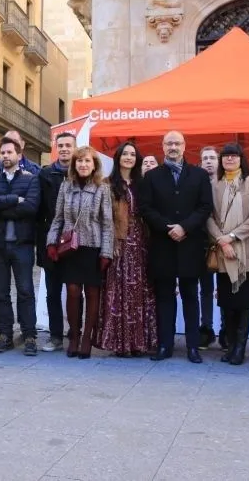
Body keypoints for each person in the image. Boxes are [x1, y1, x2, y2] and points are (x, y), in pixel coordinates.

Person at [138, 131, 214, 363]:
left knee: (191, 296)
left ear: (184, 146)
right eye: (169, 143)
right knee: (165, 298)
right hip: (163, 244)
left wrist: (185, 227)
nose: (173, 147)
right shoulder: (152, 176)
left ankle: (193, 346)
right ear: (162, 146)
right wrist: (166, 227)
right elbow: (146, 208)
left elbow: (205, 207)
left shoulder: (199, 175)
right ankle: (165, 345)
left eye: (177, 143)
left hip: (190, 244)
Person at [46, 146, 114, 359]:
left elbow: (107, 223)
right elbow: (58, 217)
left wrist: (106, 253)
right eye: (79, 161)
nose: (83, 164)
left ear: (94, 165)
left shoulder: (102, 188)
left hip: (93, 247)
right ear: (74, 164)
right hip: (71, 247)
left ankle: (87, 339)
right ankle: (74, 336)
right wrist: (51, 243)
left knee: (93, 293)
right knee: (73, 291)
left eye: (87, 161)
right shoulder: (66, 186)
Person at [0, 137, 41, 354]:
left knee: (25, 291)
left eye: (9, 152)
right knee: (0, 292)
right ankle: (5, 335)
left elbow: (31, 208)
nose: (5, 156)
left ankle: (30, 335)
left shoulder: (31, 179)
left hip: (22, 245)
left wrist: (0, 204)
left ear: (18, 155)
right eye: (2, 153)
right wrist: (15, 199)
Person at [97, 142, 158, 357]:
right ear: (118, 157)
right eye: (125, 154)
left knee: (140, 290)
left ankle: (139, 342)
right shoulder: (107, 184)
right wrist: (110, 242)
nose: (129, 157)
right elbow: (103, 218)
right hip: (119, 242)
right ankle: (120, 343)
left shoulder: (143, 184)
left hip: (141, 242)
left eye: (133, 154)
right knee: (119, 291)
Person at [207, 144, 249, 366]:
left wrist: (231, 237)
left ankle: (240, 349)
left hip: (244, 251)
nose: (229, 159)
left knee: (243, 302)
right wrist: (221, 240)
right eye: (226, 156)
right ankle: (230, 346)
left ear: (241, 159)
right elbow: (208, 217)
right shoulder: (214, 184)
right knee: (226, 303)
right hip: (222, 251)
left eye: (234, 156)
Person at [36, 132, 76, 352]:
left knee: (74, 290)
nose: (64, 149)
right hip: (51, 241)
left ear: (75, 148)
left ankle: (75, 333)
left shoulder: (82, 172)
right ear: (55, 148)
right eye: (60, 145)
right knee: (52, 292)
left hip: (76, 243)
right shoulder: (45, 175)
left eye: (68, 145)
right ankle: (55, 336)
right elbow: (39, 211)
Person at [198, 146, 221, 350]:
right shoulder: (196, 183)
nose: (208, 161)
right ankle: (206, 329)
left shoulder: (227, 184)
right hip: (202, 244)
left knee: (225, 289)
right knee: (206, 289)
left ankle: (226, 330)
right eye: (204, 158)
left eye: (212, 157)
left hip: (225, 242)